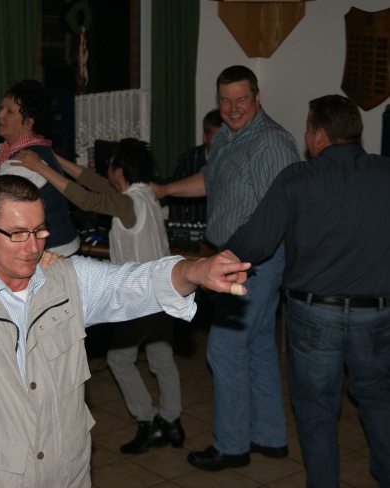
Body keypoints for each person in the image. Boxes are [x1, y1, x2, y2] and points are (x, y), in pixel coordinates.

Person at [0, 174, 251, 487]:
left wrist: (194, 270)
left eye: (39, 231)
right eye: (17, 234)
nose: (33, 246)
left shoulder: (67, 279)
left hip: (64, 474)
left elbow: (131, 282)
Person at [225, 95, 390, 487]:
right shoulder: (386, 173)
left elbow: (256, 242)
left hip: (314, 316)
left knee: (317, 412)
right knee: (380, 402)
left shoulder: (298, 178)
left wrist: (216, 260)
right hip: (377, 315)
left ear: (320, 135)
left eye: (308, 129)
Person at [151, 65, 300, 470]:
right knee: (258, 346)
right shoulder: (225, 137)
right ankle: (269, 436)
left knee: (225, 347)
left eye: (242, 99)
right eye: (225, 100)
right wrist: (166, 189)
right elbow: (211, 180)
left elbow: (282, 212)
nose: (233, 108)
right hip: (235, 257)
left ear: (257, 97)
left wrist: (240, 262)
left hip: (254, 260)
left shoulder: (272, 142)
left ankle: (232, 445)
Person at [13, 139, 185, 454]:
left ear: (119, 172)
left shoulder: (128, 203)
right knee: (162, 356)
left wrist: (40, 168)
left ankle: (149, 422)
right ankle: (173, 421)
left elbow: (86, 198)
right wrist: (54, 158)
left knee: (119, 360)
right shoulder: (146, 195)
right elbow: (94, 183)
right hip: (164, 293)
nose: (107, 172)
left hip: (142, 298)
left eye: (111, 166)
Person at [0, 79, 80, 256]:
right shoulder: (7, 150)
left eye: (9, 111)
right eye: (2, 108)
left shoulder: (24, 164)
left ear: (27, 122)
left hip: (55, 254)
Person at [167, 109, 222, 223]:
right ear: (205, 137)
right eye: (215, 138)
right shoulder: (189, 159)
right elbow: (175, 203)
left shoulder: (236, 161)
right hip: (194, 226)